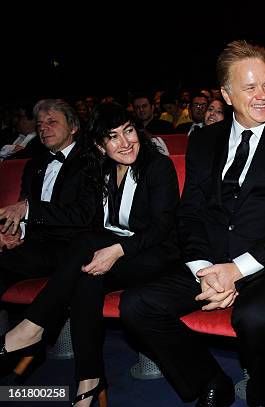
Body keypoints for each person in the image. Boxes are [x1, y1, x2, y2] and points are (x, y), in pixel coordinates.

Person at [119, 40, 265, 407]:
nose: (263, 95)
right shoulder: (203, 141)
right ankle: (211, 380)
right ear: (228, 95)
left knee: (256, 315)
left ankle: (262, 384)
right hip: (209, 262)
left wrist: (237, 270)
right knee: (136, 304)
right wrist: (204, 269)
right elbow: (190, 214)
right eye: (250, 87)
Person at [0, 102, 180, 406]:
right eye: (113, 137)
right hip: (114, 250)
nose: (125, 143)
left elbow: (162, 229)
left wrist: (116, 250)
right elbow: (92, 221)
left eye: (129, 131)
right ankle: (90, 380)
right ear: (99, 145)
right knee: (87, 275)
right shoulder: (103, 170)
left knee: (86, 253)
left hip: (154, 252)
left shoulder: (157, 166)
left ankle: (33, 327)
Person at [0, 99, 100, 298]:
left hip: (70, 248)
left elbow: (84, 215)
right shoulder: (33, 165)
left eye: (51, 122)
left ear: (73, 127)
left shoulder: (91, 161)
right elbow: (22, 207)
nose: (43, 128)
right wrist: (14, 232)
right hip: (33, 245)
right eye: (39, 125)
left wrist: (29, 209)